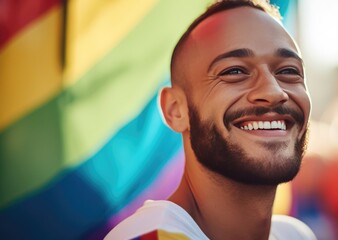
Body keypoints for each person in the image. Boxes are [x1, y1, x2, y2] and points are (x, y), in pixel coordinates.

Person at [105, 0, 316, 239]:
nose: (273, 92)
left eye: (289, 71)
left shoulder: (296, 235)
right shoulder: (152, 236)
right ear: (176, 110)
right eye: (234, 71)